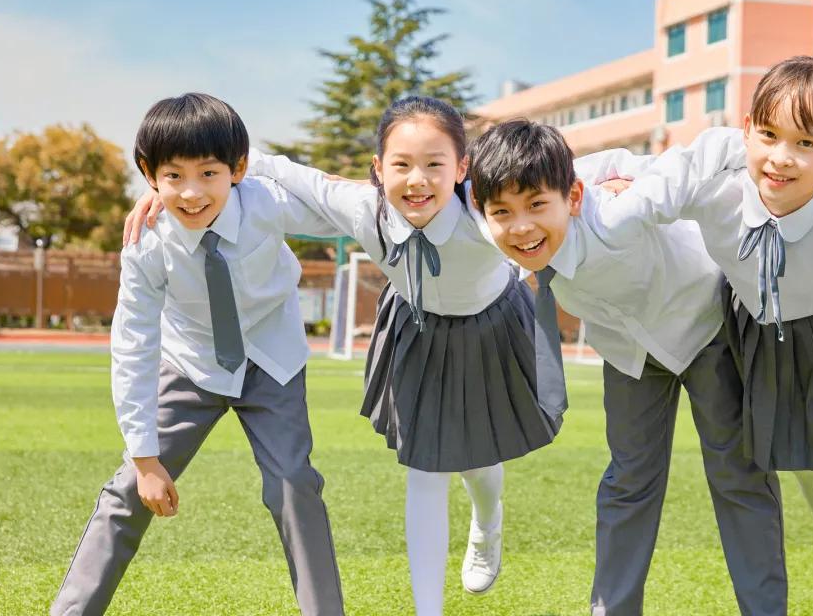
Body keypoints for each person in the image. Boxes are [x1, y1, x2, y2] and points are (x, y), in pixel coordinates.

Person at [127, 95, 565, 615]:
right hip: (420, 332)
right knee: (426, 467)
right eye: (401, 165)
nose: (417, 180)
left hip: (491, 324)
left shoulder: (484, 208)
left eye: (434, 165)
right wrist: (168, 187)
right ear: (378, 170)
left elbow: (558, 178)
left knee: (479, 457)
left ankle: (487, 524)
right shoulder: (364, 209)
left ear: (462, 167)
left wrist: (622, 174)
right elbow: (275, 166)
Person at [575, 55, 813, 615]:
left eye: (807, 144)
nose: (781, 158)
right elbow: (655, 176)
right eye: (768, 134)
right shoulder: (719, 187)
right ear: (746, 130)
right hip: (758, 342)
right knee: (796, 466)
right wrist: (603, 194)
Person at [467, 119, 786, 616]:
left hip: (702, 322)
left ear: (572, 198)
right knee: (628, 481)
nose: (521, 226)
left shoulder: (619, 212)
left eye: (535, 206)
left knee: (738, 474)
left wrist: (771, 153)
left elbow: (705, 153)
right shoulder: (497, 225)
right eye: (502, 212)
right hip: (629, 350)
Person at [52, 93, 345, 616]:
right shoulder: (145, 244)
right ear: (149, 175)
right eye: (173, 176)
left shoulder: (266, 202)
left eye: (208, 173)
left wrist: (418, 192)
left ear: (237, 169)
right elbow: (134, 344)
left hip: (270, 358)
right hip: (190, 363)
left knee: (295, 486)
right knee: (125, 493)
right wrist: (145, 460)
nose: (191, 193)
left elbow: (340, 205)